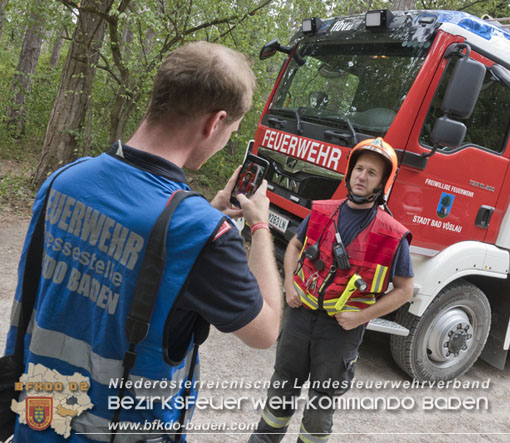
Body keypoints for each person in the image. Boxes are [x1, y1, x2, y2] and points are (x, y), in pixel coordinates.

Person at [4, 41, 282, 442]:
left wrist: (207, 212)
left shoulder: (64, 180)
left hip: (37, 421)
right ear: (214, 122)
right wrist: (259, 227)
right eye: (231, 132)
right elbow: (266, 330)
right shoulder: (201, 234)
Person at [250, 137, 414, 442]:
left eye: (372, 172)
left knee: (320, 405)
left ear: (383, 183)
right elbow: (294, 246)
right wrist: (289, 284)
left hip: (340, 332)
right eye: (359, 169)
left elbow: (405, 290)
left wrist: (361, 316)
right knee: (281, 389)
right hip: (300, 318)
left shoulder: (392, 234)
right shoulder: (323, 211)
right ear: (349, 172)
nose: (362, 176)